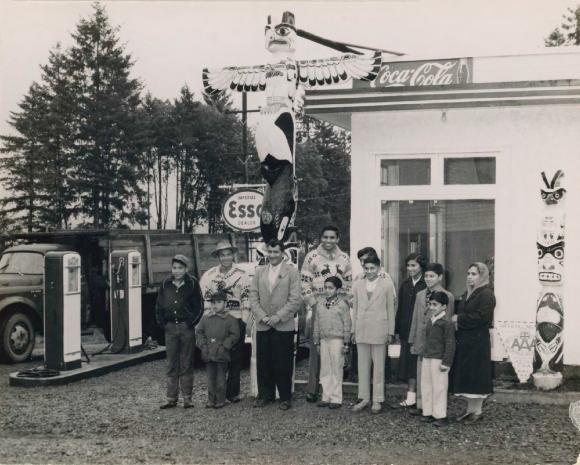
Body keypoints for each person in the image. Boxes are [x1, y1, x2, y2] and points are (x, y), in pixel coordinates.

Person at [301, 225, 352, 403]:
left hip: (338, 307)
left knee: (336, 350)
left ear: (337, 239)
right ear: (321, 238)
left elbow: (348, 283)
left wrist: (343, 304)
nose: (328, 241)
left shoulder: (345, 258)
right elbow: (304, 282)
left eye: (332, 238)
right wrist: (314, 304)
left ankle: (334, 392)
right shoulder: (312, 256)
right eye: (325, 237)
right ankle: (314, 389)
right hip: (319, 305)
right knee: (317, 349)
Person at [250, 239, 302, 410]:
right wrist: (263, 317)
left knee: (283, 362)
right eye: (269, 252)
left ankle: (285, 397)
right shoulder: (259, 272)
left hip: (283, 325)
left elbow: (295, 299)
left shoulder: (292, 272)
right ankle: (266, 395)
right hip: (263, 324)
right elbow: (253, 297)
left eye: (275, 252)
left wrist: (278, 317)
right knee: (264, 361)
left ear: (282, 253)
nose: (272, 255)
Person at [200, 240, 251, 403]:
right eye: (222, 255)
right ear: (218, 257)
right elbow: (205, 298)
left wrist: (244, 320)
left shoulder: (242, 274)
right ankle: (216, 394)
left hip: (235, 318)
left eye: (229, 254)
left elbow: (246, 297)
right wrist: (209, 317)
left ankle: (233, 393)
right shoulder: (209, 275)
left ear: (233, 255)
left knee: (236, 358)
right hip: (215, 320)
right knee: (217, 356)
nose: (226, 258)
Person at [155, 254, 204, 409]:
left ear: (186, 269)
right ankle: (171, 398)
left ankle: (187, 399)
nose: (176, 271)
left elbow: (199, 306)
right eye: (174, 268)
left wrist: (191, 323)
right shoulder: (165, 283)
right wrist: (163, 324)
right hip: (170, 328)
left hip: (186, 328)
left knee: (186, 363)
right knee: (171, 364)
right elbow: (158, 306)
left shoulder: (193, 283)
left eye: (180, 268)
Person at [451, 262, 496, 423]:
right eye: (469, 273)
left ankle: (477, 411)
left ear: (482, 276)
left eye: (474, 274)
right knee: (468, 376)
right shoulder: (468, 293)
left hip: (478, 342)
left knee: (476, 376)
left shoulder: (487, 294)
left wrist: (459, 319)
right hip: (465, 341)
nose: (470, 277)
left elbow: (482, 317)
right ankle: (470, 410)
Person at [408, 263, 454, 416]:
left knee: (437, 381)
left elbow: (447, 323)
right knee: (423, 377)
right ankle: (423, 407)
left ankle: (438, 411)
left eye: (432, 276)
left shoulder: (447, 296)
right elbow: (415, 318)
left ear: (439, 277)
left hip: (437, 345)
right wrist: (413, 340)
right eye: (426, 276)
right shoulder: (420, 294)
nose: (428, 279)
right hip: (422, 342)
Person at [351, 255, 396, 414]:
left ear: (378, 268)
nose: (369, 271)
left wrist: (390, 331)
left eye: (372, 268)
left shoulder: (386, 285)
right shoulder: (357, 285)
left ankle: (377, 399)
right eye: (366, 268)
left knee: (378, 367)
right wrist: (353, 329)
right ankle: (364, 398)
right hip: (362, 329)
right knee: (362, 366)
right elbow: (355, 309)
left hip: (379, 329)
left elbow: (391, 309)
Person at [196, 291, 240, 409]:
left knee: (221, 378)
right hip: (209, 352)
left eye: (219, 302)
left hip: (222, 353)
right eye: (213, 303)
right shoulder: (205, 319)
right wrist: (203, 346)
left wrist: (225, 346)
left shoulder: (231, 319)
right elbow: (199, 333)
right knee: (210, 378)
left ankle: (220, 400)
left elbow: (234, 335)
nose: (215, 305)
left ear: (225, 303)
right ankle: (211, 400)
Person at [313, 276, 352, 409]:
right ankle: (326, 396)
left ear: (338, 289)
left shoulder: (342, 305)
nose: (328, 290)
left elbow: (347, 324)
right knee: (325, 369)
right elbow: (317, 323)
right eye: (326, 288)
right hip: (324, 340)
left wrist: (346, 343)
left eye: (331, 288)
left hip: (337, 340)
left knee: (336, 368)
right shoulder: (320, 303)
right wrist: (316, 341)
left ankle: (336, 398)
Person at [395, 253, 427, 408]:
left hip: (421, 330)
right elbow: (400, 308)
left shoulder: (426, 284)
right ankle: (411, 396)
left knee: (419, 364)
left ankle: (422, 399)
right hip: (406, 330)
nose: (410, 268)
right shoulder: (405, 284)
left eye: (414, 265)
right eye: (408, 265)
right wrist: (396, 329)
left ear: (421, 266)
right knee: (408, 364)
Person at [420, 291, 455, 427]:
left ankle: (440, 415)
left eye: (435, 304)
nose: (432, 307)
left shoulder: (446, 323)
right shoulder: (431, 320)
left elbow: (451, 343)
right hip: (427, 357)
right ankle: (428, 412)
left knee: (439, 387)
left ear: (444, 307)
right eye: (430, 304)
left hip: (439, 360)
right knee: (426, 385)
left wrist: (446, 362)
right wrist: (424, 354)